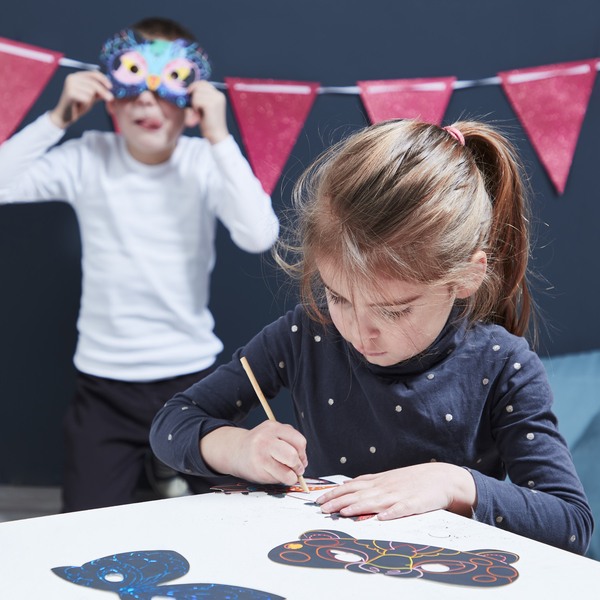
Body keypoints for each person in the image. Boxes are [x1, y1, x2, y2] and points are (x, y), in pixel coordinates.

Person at [149, 119, 593, 554]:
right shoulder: (309, 332)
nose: (361, 332)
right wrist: (240, 448)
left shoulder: (503, 365)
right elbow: (174, 421)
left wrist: (455, 483)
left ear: (467, 277)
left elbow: (571, 523)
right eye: (338, 297)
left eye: (394, 309)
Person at [0, 17, 279, 511]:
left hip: (194, 380)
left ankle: (168, 475)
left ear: (193, 103)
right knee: (84, 528)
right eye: (132, 84)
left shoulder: (200, 161)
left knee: (239, 515)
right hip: (104, 385)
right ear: (109, 97)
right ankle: (158, 478)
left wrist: (218, 136)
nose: (147, 100)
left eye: (167, 85)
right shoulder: (89, 157)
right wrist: (57, 118)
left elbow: (260, 234)